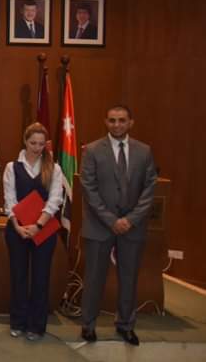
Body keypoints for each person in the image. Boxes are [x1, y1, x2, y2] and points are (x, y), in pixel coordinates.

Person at [79, 105, 157, 346]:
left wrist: (130, 220)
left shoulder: (144, 151)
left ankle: (126, 325)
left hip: (132, 228)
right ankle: (88, 325)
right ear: (106, 122)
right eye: (112, 120)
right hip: (99, 226)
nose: (117, 125)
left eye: (122, 120)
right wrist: (111, 220)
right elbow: (88, 188)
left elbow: (149, 189)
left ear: (131, 123)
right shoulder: (92, 150)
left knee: (129, 278)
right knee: (94, 278)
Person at [3, 123, 64, 341]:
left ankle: (36, 326)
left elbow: (55, 199)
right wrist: (18, 225)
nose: (37, 148)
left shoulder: (54, 168)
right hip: (17, 230)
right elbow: (9, 199)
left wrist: (38, 225)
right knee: (18, 276)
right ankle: (18, 322)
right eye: (33, 143)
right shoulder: (12, 167)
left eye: (41, 144)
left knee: (40, 278)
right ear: (25, 141)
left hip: (43, 230)